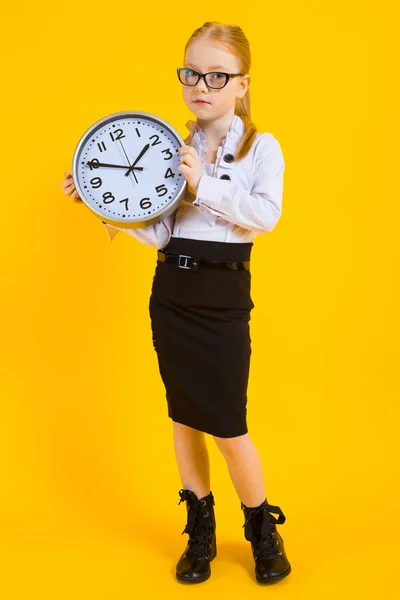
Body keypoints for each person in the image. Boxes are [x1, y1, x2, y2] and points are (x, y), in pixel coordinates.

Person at [61, 20, 291, 586]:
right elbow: (162, 234)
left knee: (229, 426)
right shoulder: (167, 143)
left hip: (223, 296)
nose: (202, 85)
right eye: (192, 73)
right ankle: (201, 532)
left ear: (242, 83)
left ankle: (263, 530)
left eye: (217, 75)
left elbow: (266, 215)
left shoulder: (260, 147)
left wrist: (202, 185)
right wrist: (103, 205)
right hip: (173, 294)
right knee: (185, 418)